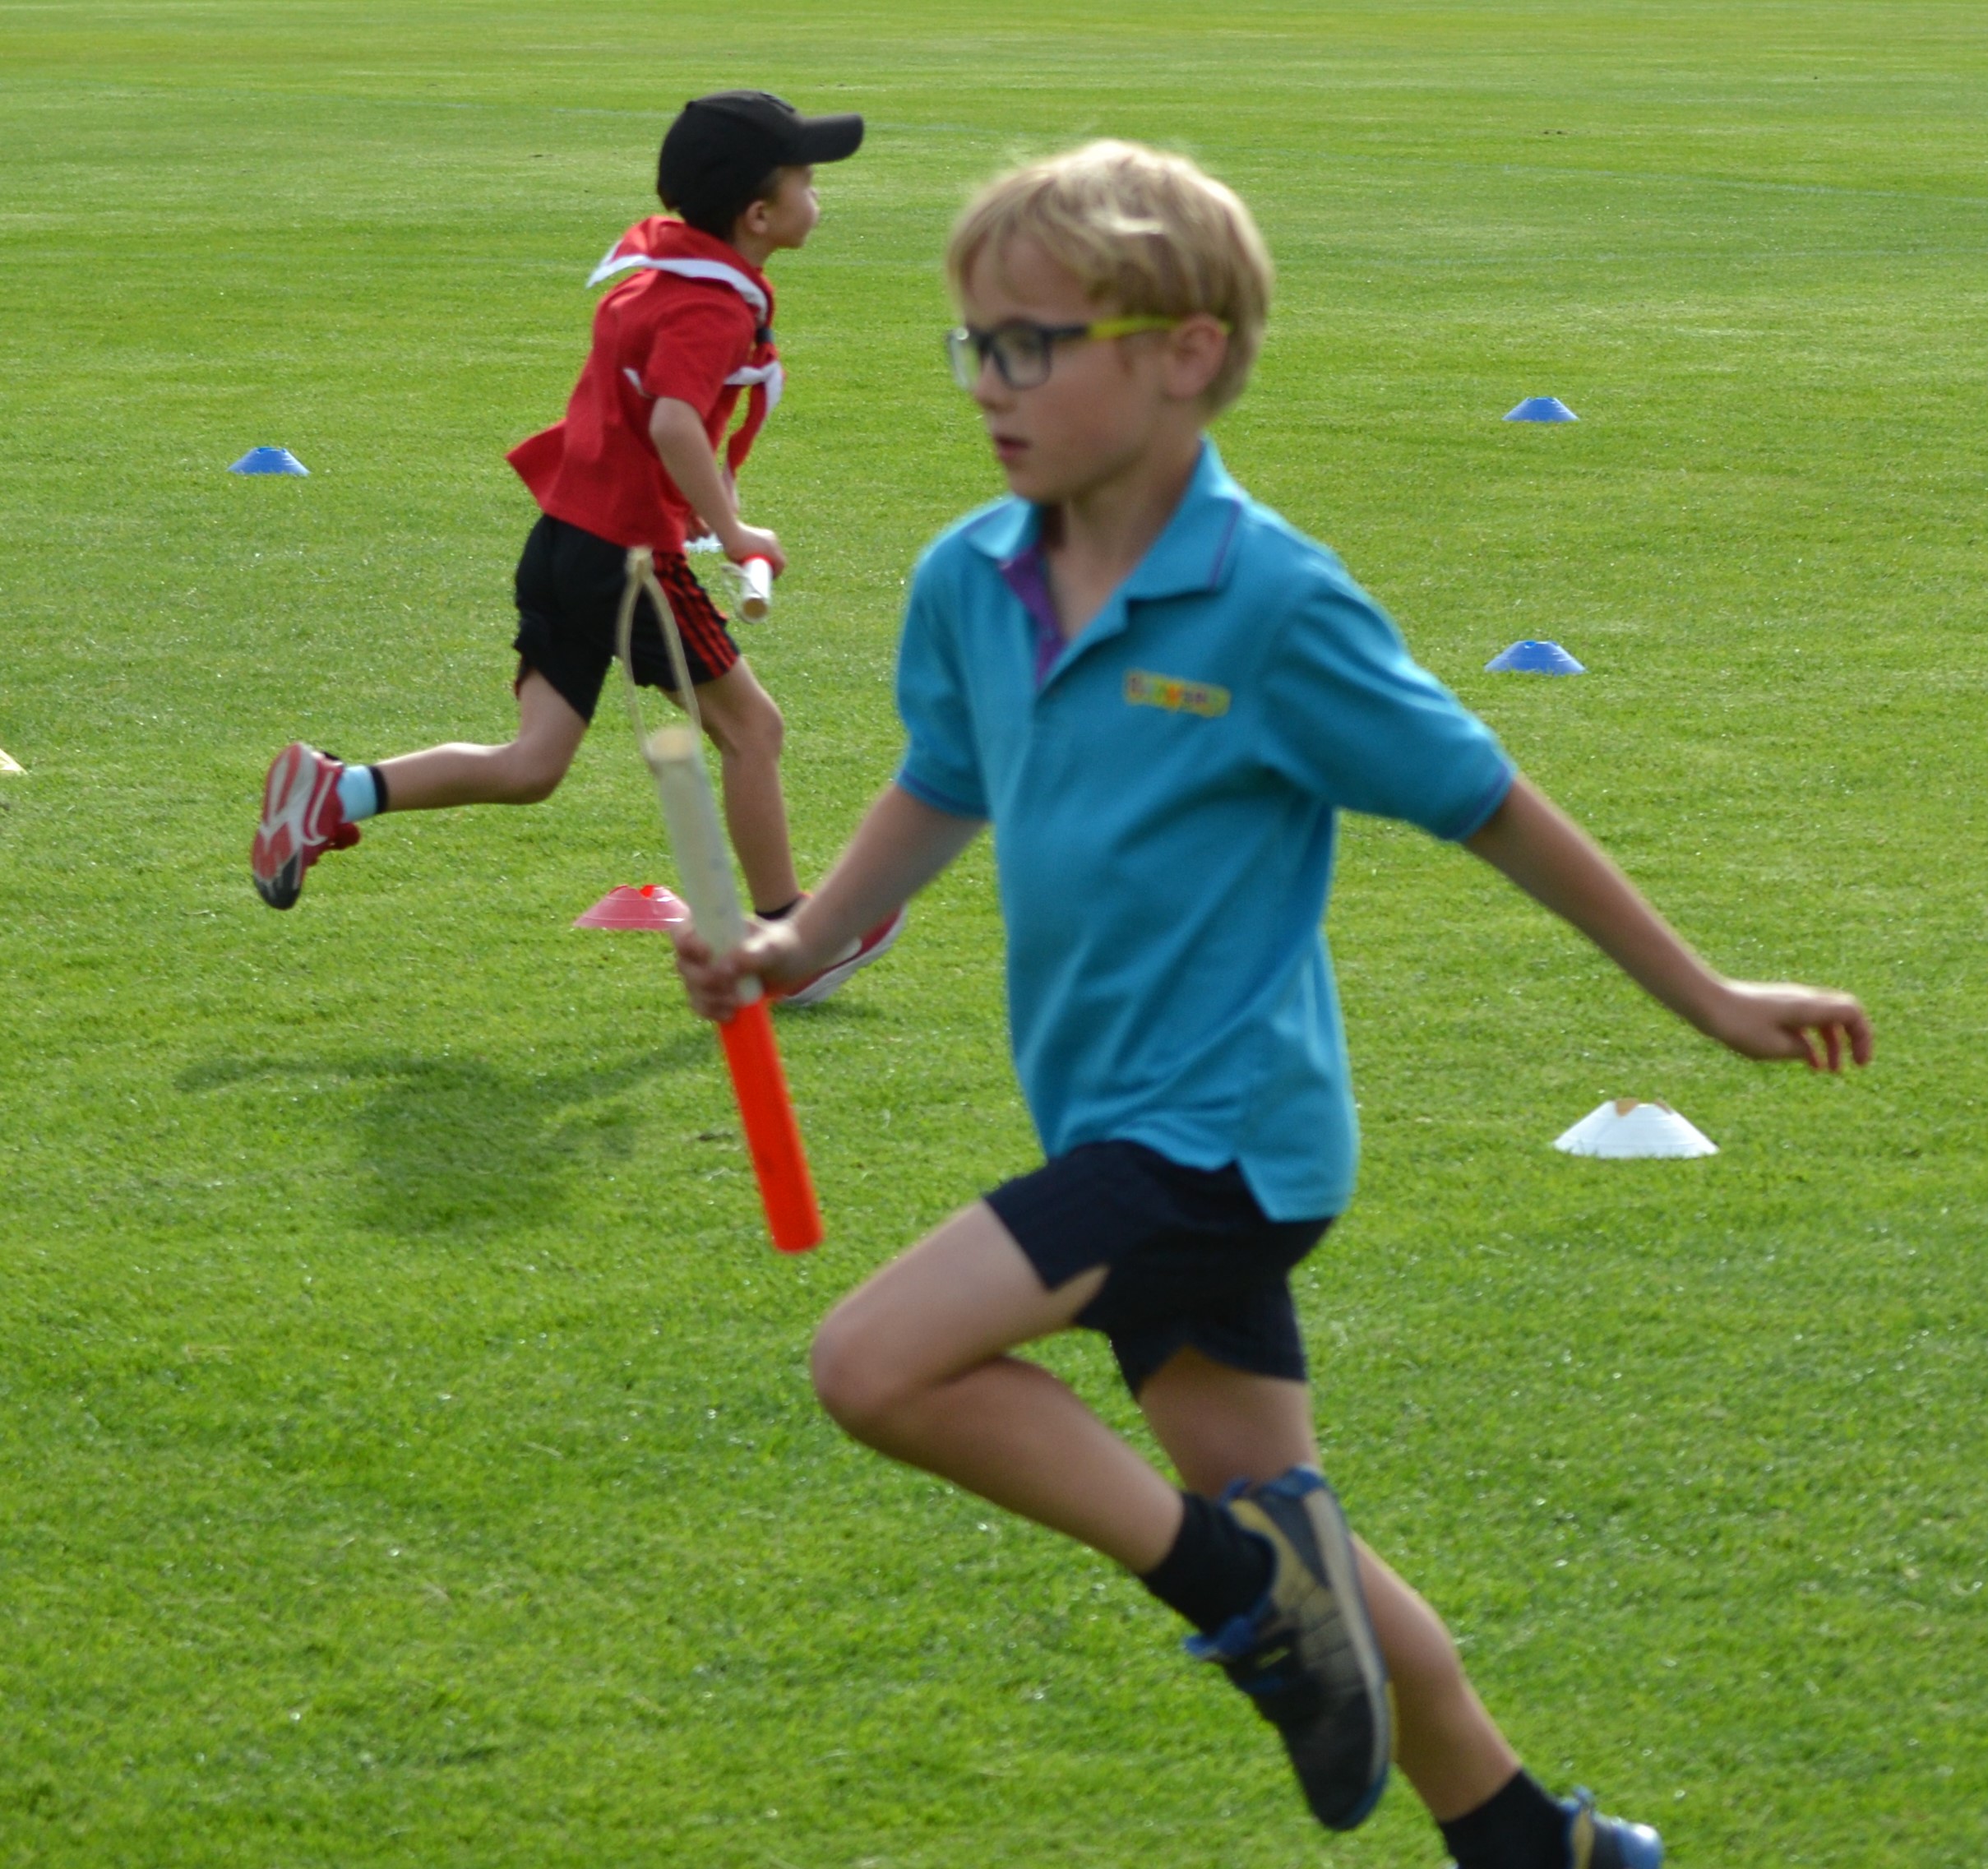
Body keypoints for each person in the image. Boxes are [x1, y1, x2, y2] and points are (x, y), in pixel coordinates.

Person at [670, 141, 1873, 1866]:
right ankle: (1537, 1837)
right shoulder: (970, 579)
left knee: (872, 1359)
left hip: (1226, 1134)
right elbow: (946, 781)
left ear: (1185, 352)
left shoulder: (1274, 604)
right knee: (1281, 1507)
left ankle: (1239, 1596)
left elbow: (1490, 803)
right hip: (1118, 1123)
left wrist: (1706, 992)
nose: (993, 387)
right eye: (975, 346)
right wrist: (798, 941)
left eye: (1037, 344)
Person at [252, 90, 904, 1006]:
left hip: (566, 538)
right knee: (754, 730)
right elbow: (678, 423)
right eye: (805, 178)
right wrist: (731, 530)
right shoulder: (711, 308)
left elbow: (649, 423)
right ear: (760, 215)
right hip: (630, 563)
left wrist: (708, 508)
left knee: (533, 765)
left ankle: (336, 793)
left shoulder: (666, 277)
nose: (816, 191)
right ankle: (788, 939)